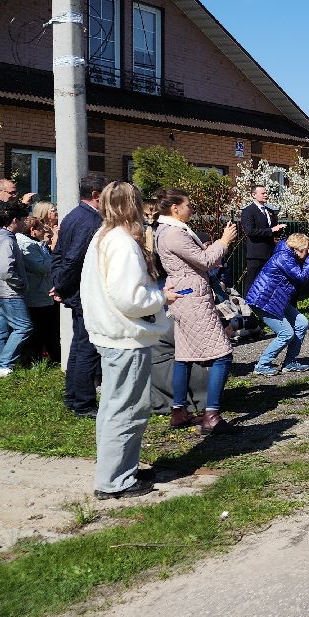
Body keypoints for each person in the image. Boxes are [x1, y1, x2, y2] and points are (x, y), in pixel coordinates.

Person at [82, 182, 176, 500]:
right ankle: (116, 480)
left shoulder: (102, 236)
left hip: (110, 333)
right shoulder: (121, 242)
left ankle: (118, 470)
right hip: (125, 337)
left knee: (113, 407)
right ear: (132, 205)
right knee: (128, 409)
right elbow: (130, 298)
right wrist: (162, 295)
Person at [155, 189, 239, 434]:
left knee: (184, 356)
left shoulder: (167, 231)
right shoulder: (173, 233)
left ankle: (179, 411)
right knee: (222, 354)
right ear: (175, 208)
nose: (191, 209)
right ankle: (211, 415)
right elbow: (203, 261)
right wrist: (224, 242)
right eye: (188, 205)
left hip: (185, 295)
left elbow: (197, 259)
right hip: (193, 299)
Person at [52, 173, 107, 416]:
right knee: (87, 347)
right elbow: (73, 259)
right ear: (96, 195)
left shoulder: (73, 215)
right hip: (82, 291)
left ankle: (73, 396)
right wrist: (62, 286)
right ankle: (83, 403)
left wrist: (59, 284)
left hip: (73, 289)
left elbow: (59, 254)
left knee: (78, 345)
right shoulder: (89, 222)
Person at [246, 233, 309, 376]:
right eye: (306, 249)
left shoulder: (289, 255)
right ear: (296, 249)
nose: (308, 252)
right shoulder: (283, 257)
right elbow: (301, 277)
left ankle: (289, 362)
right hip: (263, 300)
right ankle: (262, 364)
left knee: (302, 323)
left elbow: (303, 274)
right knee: (286, 333)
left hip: (277, 300)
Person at [0, 201, 32, 377]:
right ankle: (4, 365)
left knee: (2, 330)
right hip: (9, 292)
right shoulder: (6, 241)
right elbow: (6, 270)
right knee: (24, 327)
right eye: (22, 220)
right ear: (14, 220)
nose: (24, 223)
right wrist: (20, 283)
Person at [17, 216, 58, 367]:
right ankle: (31, 362)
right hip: (36, 294)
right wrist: (52, 247)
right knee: (37, 330)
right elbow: (41, 267)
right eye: (40, 228)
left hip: (42, 293)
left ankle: (45, 358)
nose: (44, 230)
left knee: (46, 329)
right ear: (33, 231)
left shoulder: (35, 244)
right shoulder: (28, 245)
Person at [240, 184, 283, 296]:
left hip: (270, 253)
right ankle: (248, 308)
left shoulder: (269, 211)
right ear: (254, 195)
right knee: (253, 282)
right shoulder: (248, 211)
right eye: (263, 193)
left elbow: (273, 229)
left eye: (266, 193)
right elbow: (250, 231)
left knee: (267, 282)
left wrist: (278, 230)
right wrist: (271, 230)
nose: (266, 195)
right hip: (256, 254)